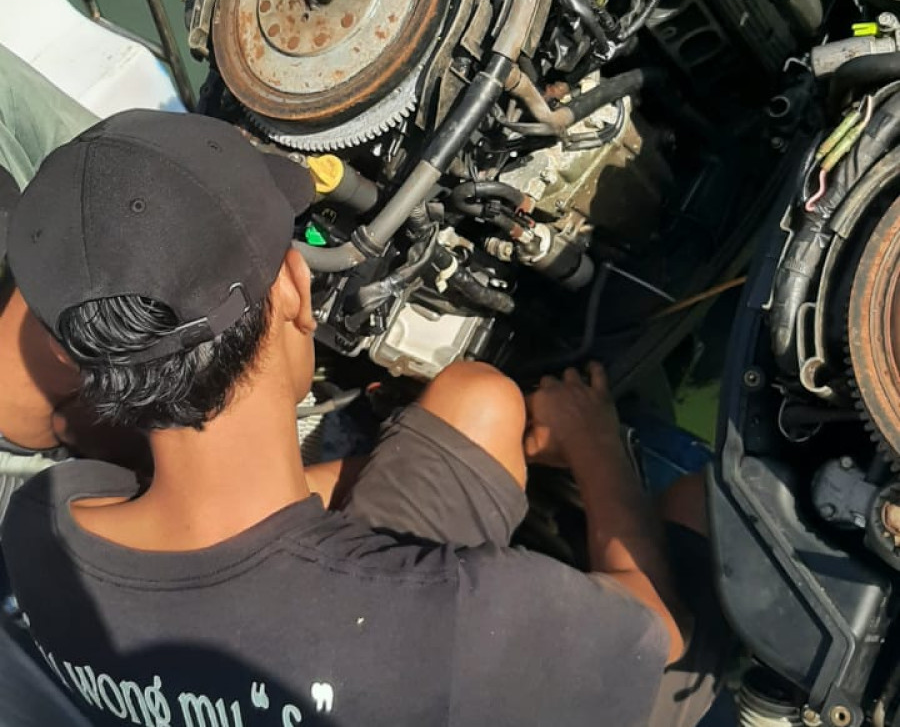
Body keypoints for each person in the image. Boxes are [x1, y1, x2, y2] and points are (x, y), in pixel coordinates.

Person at [0, 109, 718, 727]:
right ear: (292, 286)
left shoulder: (44, 526)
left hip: (350, 635)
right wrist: (598, 449)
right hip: (455, 673)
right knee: (700, 504)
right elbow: (658, 629)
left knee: (477, 400)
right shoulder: (463, 619)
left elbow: (229, 539)